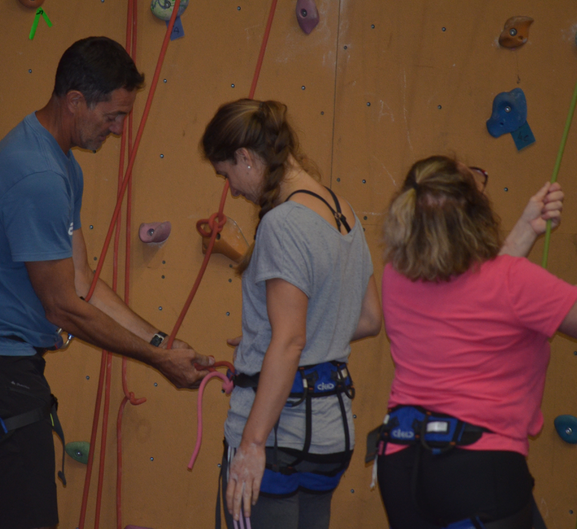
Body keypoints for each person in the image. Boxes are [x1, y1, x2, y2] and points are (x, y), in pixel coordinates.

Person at [0, 36, 214, 529]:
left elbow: (81, 281)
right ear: (75, 100)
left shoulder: (58, 164)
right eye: (113, 116)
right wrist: (158, 361)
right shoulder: (38, 175)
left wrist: (161, 341)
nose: (118, 129)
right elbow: (63, 307)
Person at [200, 99, 382, 529]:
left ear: (246, 157)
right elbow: (369, 318)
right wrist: (271, 341)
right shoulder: (344, 213)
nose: (232, 190)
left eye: (227, 174)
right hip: (330, 434)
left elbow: (291, 340)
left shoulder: (283, 223)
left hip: (278, 436)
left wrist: (252, 443)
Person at [376, 155, 576, 529]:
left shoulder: (395, 276)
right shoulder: (514, 282)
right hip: (478, 469)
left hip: (402, 463)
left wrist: (524, 231)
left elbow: (474, 295)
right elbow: (492, 290)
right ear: (475, 214)